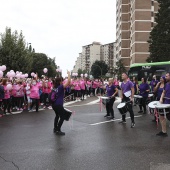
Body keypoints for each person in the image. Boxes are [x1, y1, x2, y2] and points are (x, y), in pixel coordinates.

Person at [52, 70, 71, 136]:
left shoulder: (54, 87)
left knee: (57, 116)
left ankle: (55, 128)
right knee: (62, 117)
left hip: (54, 105)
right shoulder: (60, 87)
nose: (62, 82)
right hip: (58, 105)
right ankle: (58, 129)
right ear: (60, 82)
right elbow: (68, 82)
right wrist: (69, 74)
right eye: (61, 81)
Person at [156, 73, 170, 137]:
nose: (165, 77)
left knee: (169, 117)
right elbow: (163, 92)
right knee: (161, 116)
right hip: (165, 103)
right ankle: (164, 132)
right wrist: (161, 99)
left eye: (167, 76)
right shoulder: (166, 84)